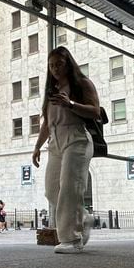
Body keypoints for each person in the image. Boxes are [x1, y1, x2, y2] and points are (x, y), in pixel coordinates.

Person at [32, 46, 99, 254]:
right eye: (51, 66)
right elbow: (46, 123)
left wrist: (69, 103)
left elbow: (95, 111)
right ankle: (84, 217)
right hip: (55, 141)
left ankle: (72, 240)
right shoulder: (50, 92)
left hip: (76, 138)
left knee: (70, 187)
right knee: (52, 190)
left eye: (59, 64)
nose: (55, 69)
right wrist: (37, 147)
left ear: (68, 63)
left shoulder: (82, 85)